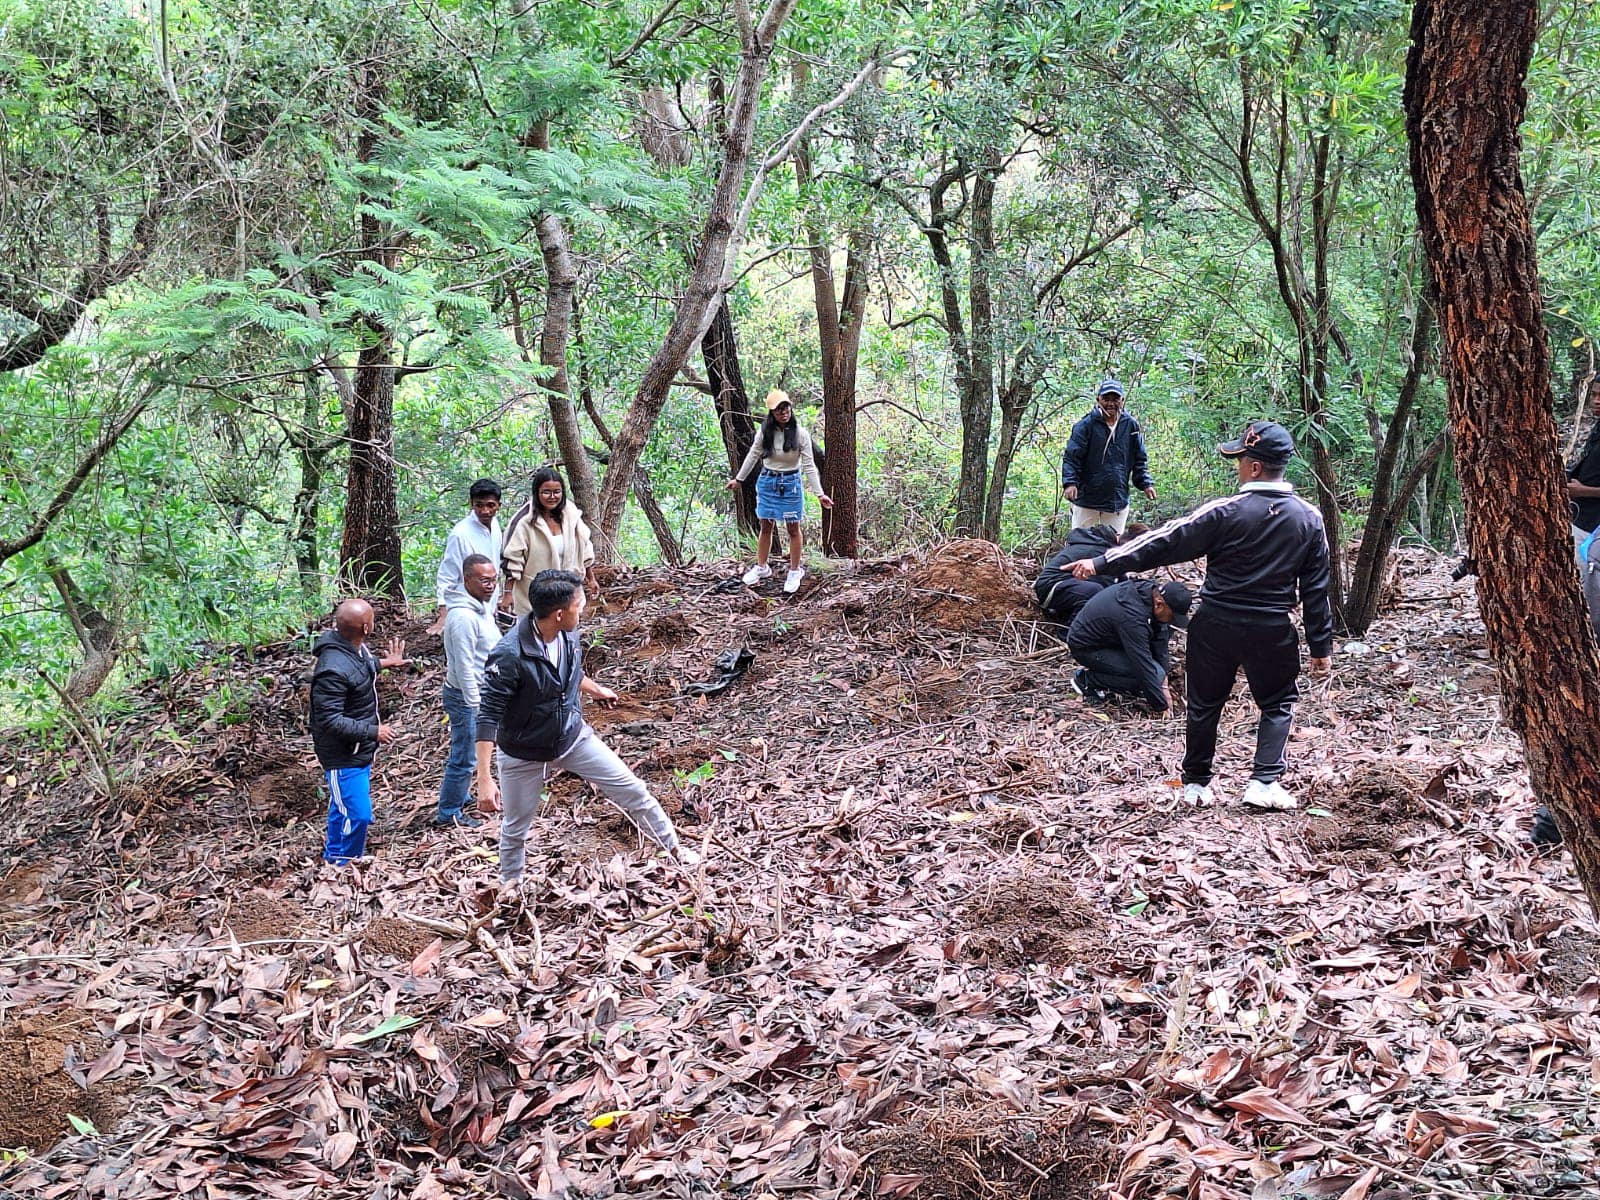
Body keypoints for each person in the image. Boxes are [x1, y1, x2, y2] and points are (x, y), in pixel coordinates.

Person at [1071, 420, 1333, 810]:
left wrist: (1102, 561)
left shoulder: (1226, 511)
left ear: (1255, 467)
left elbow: (1164, 542)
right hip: (1272, 627)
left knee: (1205, 703)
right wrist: (1320, 647)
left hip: (1216, 624)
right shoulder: (1309, 518)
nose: (1239, 467)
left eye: (1241, 460)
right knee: (1278, 703)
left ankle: (1195, 785)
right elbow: (1316, 589)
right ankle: (1264, 782)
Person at [475, 570, 694, 892]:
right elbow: (487, 715)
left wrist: (595, 689)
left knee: (634, 791)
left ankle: (675, 852)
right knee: (516, 826)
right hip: (523, 752)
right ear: (559, 613)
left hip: (572, 736)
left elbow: (567, 672)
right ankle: (511, 885)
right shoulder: (509, 655)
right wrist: (484, 779)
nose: (584, 609)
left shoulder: (568, 634)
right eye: (579, 605)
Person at [309, 599, 409, 864]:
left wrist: (386, 662)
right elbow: (329, 720)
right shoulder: (332, 669)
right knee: (358, 815)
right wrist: (372, 731)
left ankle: (333, 857)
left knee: (342, 805)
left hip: (357, 749)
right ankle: (345, 863)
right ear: (366, 627)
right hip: (343, 755)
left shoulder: (352, 648)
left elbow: (359, 668)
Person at [727, 389, 832, 594]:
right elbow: (752, 455)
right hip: (768, 481)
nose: (784, 413)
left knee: (793, 527)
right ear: (772, 413)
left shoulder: (800, 434)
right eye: (778, 410)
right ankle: (762, 566)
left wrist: (819, 493)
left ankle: (795, 570)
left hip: (791, 483)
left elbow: (809, 465)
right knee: (766, 525)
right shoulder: (765, 432)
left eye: (786, 408)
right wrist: (739, 479)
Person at [438, 554, 501, 829]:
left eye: (494, 580)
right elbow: (464, 667)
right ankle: (449, 812)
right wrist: (476, 705)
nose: (491, 586)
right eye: (484, 581)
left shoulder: (480, 607)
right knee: (465, 756)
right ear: (467, 580)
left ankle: (460, 796)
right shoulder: (462, 617)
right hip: (465, 696)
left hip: (480, 692)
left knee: (467, 752)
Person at [1067, 578, 1192, 712]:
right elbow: (1142, 665)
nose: (1171, 621)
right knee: (1152, 677)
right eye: (1172, 617)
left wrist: (1164, 681)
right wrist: (1161, 705)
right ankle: (1087, 680)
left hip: (1112, 640)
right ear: (1159, 605)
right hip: (1087, 648)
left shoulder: (1150, 595)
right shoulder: (1132, 617)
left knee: (1159, 675)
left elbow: (1160, 637)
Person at [1060, 379, 1157, 533]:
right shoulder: (1085, 426)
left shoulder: (1130, 425)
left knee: (1114, 545)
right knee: (1080, 542)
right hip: (1087, 499)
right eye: (1106, 399)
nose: (1110, 404)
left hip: (1116, 499)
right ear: (1098, 400)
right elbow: (1072, 457)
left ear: (1122, 400)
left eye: (1115, 399)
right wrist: (1070, 483)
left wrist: (1146, 483)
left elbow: (1139, 459)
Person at [501, 467, 598, 617]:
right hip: (533, 598)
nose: (552, 497)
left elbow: (584, 548)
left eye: (557, 492)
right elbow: (513, 560)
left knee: (568, 629)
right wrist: (508, 593)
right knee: (537, 630)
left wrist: (591, 579)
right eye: (546, 492)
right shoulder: (524, 521)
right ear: (537, 493)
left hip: (568, 594)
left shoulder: (571, 515)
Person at [1034, 522, 1150, 627]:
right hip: (1050, 588)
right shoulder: (1101, 551)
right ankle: (1070, 632)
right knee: (1096, 592)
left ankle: (1065, 617)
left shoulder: (1102, 543)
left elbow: (1122, 583)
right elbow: (1108, 592)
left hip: (1065, 586)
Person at [426, 479, 503, 636]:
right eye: (479, 505)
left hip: (488, 605)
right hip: (467, 606)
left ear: (498, 505)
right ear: (471, 504)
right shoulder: (461, 534)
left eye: (490, 505)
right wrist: (444, 613)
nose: (485, 511)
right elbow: (448, 574)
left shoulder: (495, 526)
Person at [1567, 378, 1600, 557]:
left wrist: (1583, 491)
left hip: (1594, 529)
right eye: (1593, 395)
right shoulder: (1597, 427)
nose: (1596, 400)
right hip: (1581, 518)